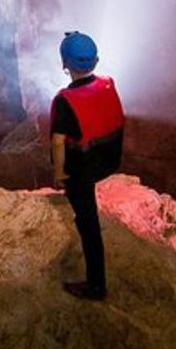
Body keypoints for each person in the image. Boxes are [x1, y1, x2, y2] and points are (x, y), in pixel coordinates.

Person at [47, 31, 125, 301]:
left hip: (81, 171)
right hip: (105, 161)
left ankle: (96, 286)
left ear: (65, 64)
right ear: (96, 61)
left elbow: (58, 143)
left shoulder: (65, 100)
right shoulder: (107, 84)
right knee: (87, 214)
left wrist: (59, 174)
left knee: (88, 224)